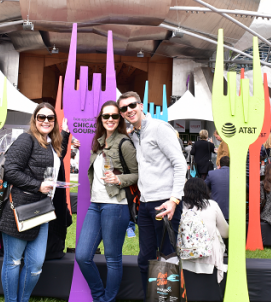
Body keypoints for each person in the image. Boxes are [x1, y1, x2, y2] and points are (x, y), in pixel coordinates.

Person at [0, 103, 70, 302]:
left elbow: (52, 163)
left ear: (55, 122)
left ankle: (23, 299)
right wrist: (38, 185)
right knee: (13, 261)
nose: (46, 121)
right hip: (20, 209)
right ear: (35, 120)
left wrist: (66, 134)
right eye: (41, 117)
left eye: (50, 118)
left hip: (42, 211)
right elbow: (10, 170)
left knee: (35, 265)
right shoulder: (26, 139)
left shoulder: (51, 144)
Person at [118, 91, 186, 297]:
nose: (129, 110)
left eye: (132, 105)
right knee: (144, 259)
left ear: (140, 105)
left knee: (167, 259)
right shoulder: (135, 136)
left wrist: (174, 200)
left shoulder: (159, 128)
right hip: (146, 205)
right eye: (124, 109)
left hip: (165, 202)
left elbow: (180, 163)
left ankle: (168, 299)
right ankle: (152, 298)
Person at [75, 101, 139, 302]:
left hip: (116, 205)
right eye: (106, 116)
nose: (110, 119)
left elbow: (138, 174)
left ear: (119, 119)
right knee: (82, 256)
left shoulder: (124, 143)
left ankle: (106, 300)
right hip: (96, 204)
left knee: (112, 258)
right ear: (100, 119)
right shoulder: (98, 141)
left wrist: (119, 179)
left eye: (114, 116)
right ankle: (98, 295)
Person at [180, 178, 229, 282]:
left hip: (184, 257)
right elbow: (225, 233)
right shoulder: (212, 205)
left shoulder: (179, 207)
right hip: (209, 258)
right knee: (215, 231)